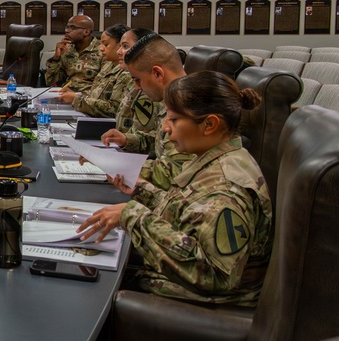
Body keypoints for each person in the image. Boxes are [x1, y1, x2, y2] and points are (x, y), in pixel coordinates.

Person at [78, 71, 272, 305]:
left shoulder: (225, 188)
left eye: (174, 120)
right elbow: (192, 214)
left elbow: (215, 276)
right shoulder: (216, 158)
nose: (166, 128)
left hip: (200, 303)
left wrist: (133, 217)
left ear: (209, 124)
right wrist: (141, 191)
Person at [100, 33, 194, 190]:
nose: (137, 87)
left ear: (158, 74)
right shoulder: (170, 97)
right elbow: (160, 144)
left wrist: (111, 163)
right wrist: (126, 140)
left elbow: (175, 172)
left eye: (138, 79)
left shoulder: (189, 106)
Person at [59, 23, 132, 117]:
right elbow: (96, 95)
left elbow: (114, 109)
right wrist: (74, 95)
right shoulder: (108, 65)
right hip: (90, 116)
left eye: (106, 44)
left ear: (119, 45)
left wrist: (77, 99)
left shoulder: (126, 72)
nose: (101, 49)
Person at [44, 14, 102, 92]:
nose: (67, 31)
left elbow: (105, 85)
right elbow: (51, 82)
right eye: (67, 27)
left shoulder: (102, 50)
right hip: (67, 95)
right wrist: (56, 58)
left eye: (72, 28)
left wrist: (77, 98)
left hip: (89, 99)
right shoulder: (67, 49)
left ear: (86, 32)